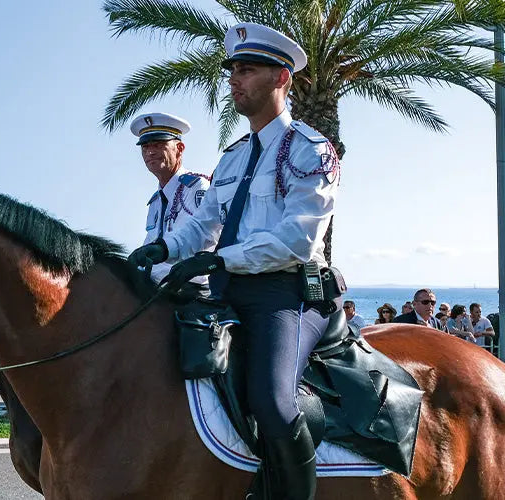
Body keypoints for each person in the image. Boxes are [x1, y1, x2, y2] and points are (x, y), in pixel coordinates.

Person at [127, 22, 334, 498]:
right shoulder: (233, 157)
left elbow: (297, 239)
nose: (234, 79)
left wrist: (219, 262)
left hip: (287, 295)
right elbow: (203, 225)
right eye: (233, 71)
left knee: (274, 401)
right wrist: (165, 248)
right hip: (228, 292)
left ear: (281, 78)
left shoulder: (310, 149)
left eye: (248, 70)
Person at [130, 112, 212, 286]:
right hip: (154, 288)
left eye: (159, 145)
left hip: (189, 286)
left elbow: (206, 234)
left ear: (180, 148)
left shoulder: (197, 187)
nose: (150, 152)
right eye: (145, 147)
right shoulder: (155, 201)